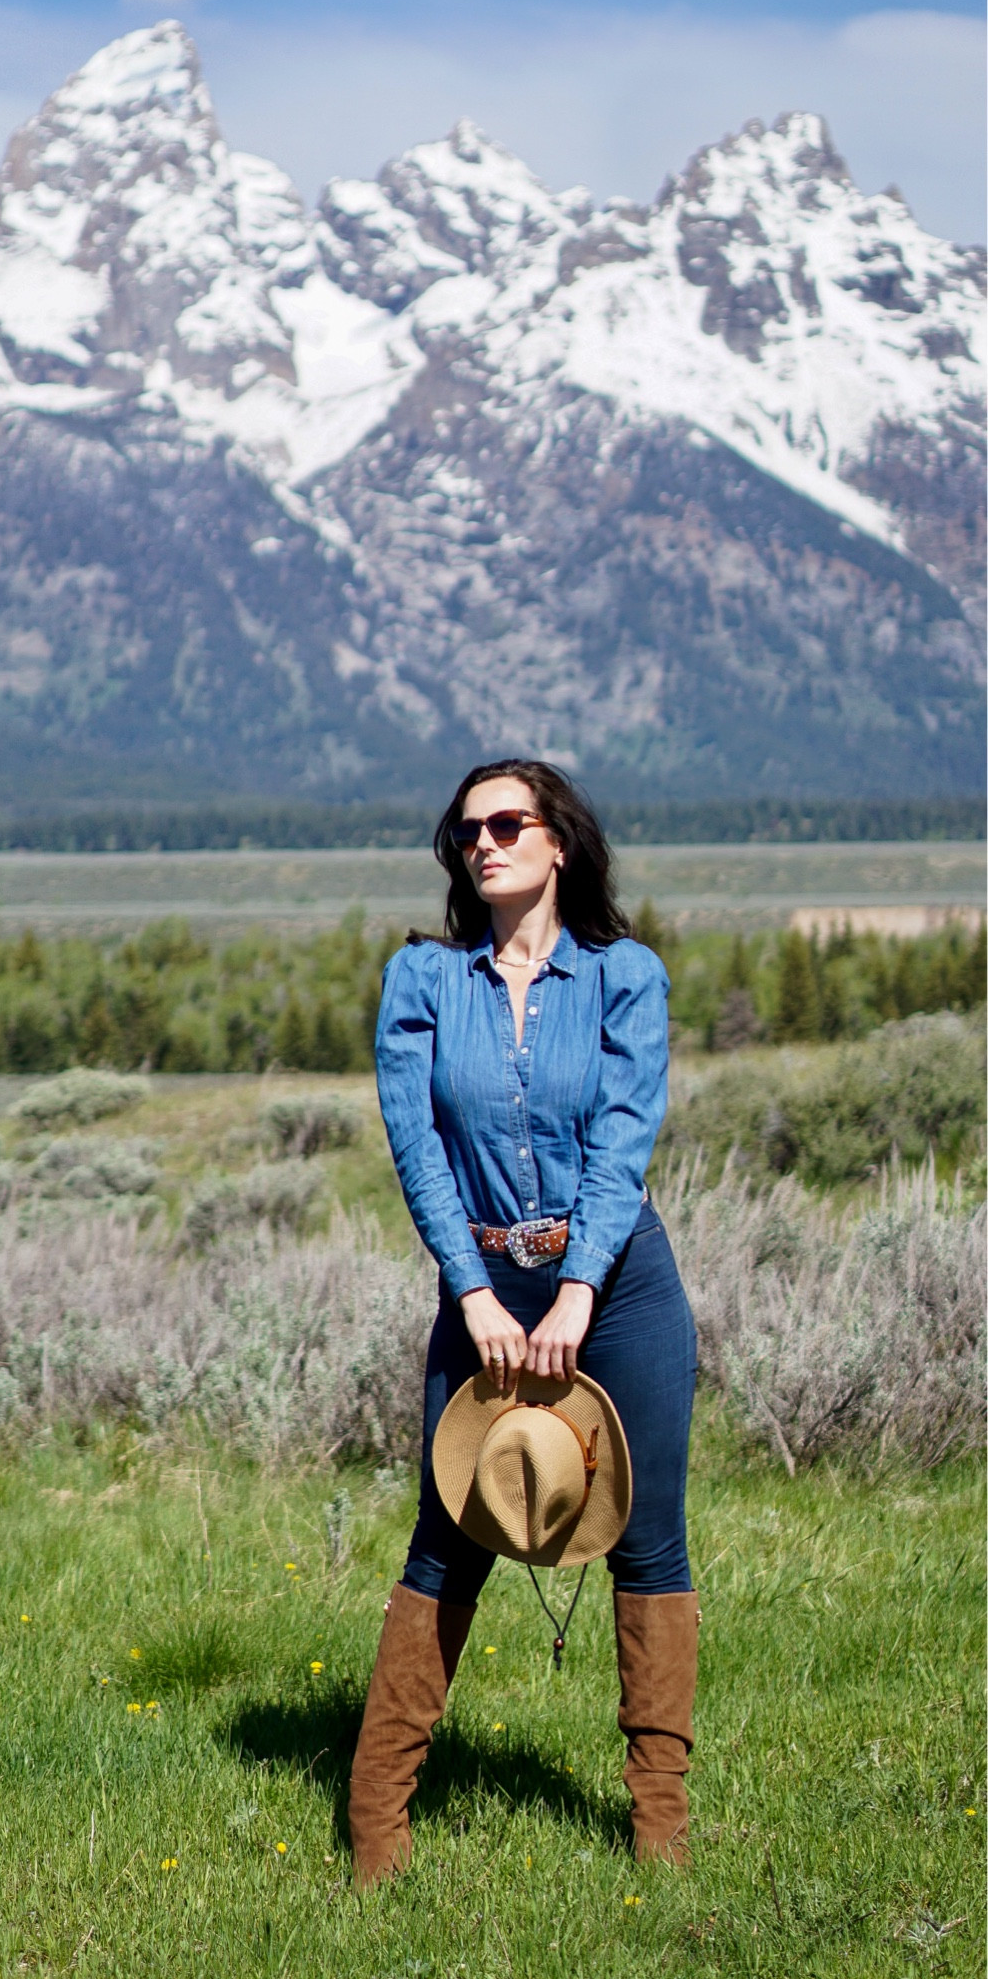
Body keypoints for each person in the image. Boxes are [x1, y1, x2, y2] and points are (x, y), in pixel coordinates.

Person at [348, 759, 699, 1888]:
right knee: (446, 1541)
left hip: (620, 1284)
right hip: (485, 1289)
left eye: (507, 823)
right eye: (465, 833)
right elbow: (419, 1148)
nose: (484, 844)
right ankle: (375, 1832)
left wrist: (582, 1284)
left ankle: (660, 1835)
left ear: (560, 842)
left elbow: (623, 1136)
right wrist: (476, 1291)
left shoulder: (624, 978)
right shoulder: (419, 981)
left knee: (646, 1539)